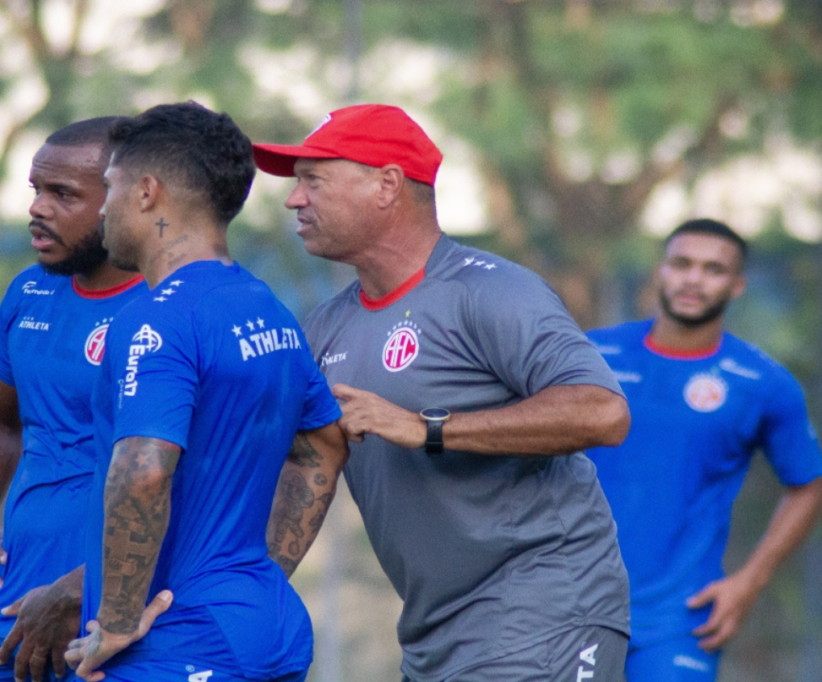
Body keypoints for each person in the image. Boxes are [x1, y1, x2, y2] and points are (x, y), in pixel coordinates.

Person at [252, 103, 633, 682]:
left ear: (386, 185)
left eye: (313, 180)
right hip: (435, 635)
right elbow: (310, 467)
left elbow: (603, 411)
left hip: (546, 614)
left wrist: (427, 426)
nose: (293, 199)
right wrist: (251, 594)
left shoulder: (491, 291)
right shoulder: (325, 326)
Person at [64, 101, 347, 682]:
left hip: (178, 643)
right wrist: (257, 570)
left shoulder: (154, 320)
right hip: (265, 626)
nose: (102, 206)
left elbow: (143, 470)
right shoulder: (268, 308)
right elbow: (325, 439)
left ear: (147, 192)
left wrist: (116, 623)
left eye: (110, 186)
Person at [0, 117, 168, 682]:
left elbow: (196, 479)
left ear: (129, 197)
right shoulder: (29, 291)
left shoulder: (172, 308)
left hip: (119, 617)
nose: (38, 208)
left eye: (63, 194)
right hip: (6, 604)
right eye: (36, 191)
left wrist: (86, 588)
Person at [584, 218, 822, 682]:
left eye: (713, 270)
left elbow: (808, 484)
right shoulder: (592, 354)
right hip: (570, 604)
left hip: (680, 618)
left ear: (737, 286)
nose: (693, 278)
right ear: (661, 271)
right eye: (682, 264)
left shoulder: (763, 383)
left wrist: (750, 581)